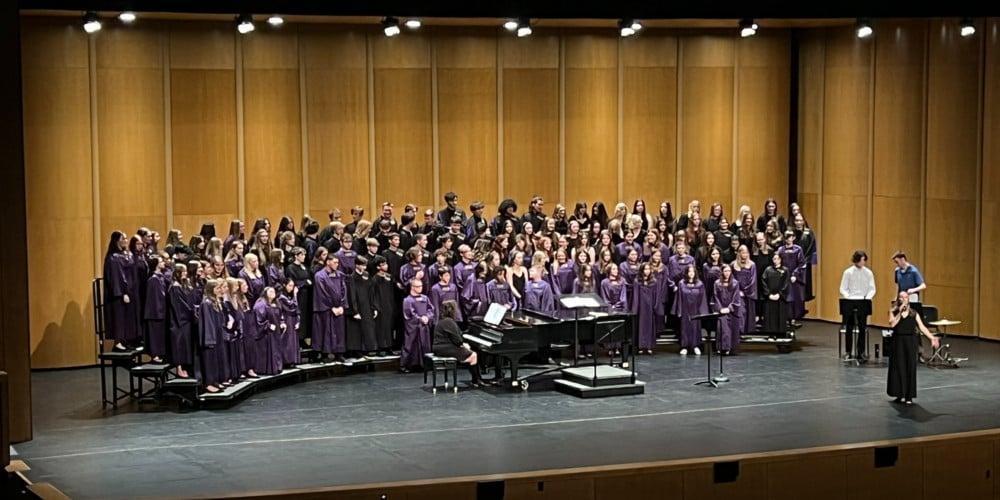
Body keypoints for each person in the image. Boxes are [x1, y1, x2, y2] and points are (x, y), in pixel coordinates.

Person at [887, 291, 939, 404]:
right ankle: (899, 393)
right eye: (902, 297)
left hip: (910, 341)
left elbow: (922, 327)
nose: (904, 299)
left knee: (909, 367)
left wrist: (931, 338)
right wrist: (900, 313)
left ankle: (909, 396)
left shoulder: (914, 313)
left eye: (906, 297)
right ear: (898, 299)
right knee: (898, 367)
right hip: (898, 341)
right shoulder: (893, 311)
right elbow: (892, 324)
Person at [432, 300, 484, 388]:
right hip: (444, 348)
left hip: (440, 347)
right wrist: (464, 345)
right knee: (473, 355)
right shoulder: (449, 322)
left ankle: (476, 379)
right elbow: (458, 340)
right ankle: (476, 380)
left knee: (469, 352)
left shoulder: (443, 320)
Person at [839, 250, 876, 361]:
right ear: (856, 260)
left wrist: (867, 297)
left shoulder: (868, 273)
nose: (863, 262)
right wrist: (848, 296)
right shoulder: (848, 272)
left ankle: (861, 352)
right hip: (850, 301)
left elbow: (872, 288)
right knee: (849, 327)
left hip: (863, 301)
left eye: (864, 260)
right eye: (862, 260)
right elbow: (843, 288)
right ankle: (848, 351)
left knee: (862, 327)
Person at [760, 252, 790, 337]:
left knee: (780, 316)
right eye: (774, 259)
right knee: (770, 316)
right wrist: (768, 294)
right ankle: (771, 334)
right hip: (770, 298)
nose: (775, 261)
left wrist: (780, 294)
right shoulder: (768, 270)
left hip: (780, 298)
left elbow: (786, 283)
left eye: (777, 259)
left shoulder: (785, 270)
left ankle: (780, 334)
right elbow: (763, 282)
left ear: (780, 260)